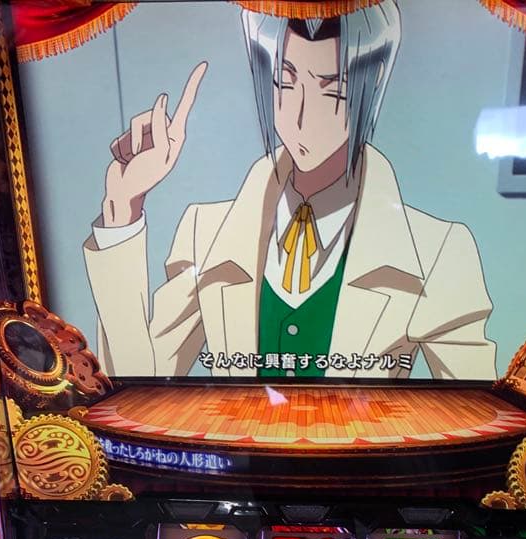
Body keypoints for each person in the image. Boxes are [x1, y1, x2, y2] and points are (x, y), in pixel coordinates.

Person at [83, 0, 496, 379]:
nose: (300, 116)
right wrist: (123, 207)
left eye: (333, 90)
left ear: (371, 90)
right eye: (285, 82)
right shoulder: (203, 233)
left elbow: (476, 414)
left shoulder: (437, 251)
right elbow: (137, 384)